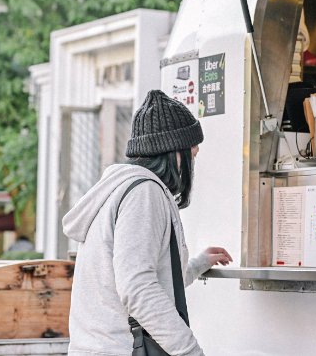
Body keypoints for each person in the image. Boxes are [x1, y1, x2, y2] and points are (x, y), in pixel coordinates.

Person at [63, 90, 232, 355]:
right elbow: (138, 287)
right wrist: (189, 350)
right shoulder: (144, 194)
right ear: (174, 152)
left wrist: (199, 263)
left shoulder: (121, 189)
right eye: (192, 153)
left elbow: (149, 274)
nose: (193, 158)